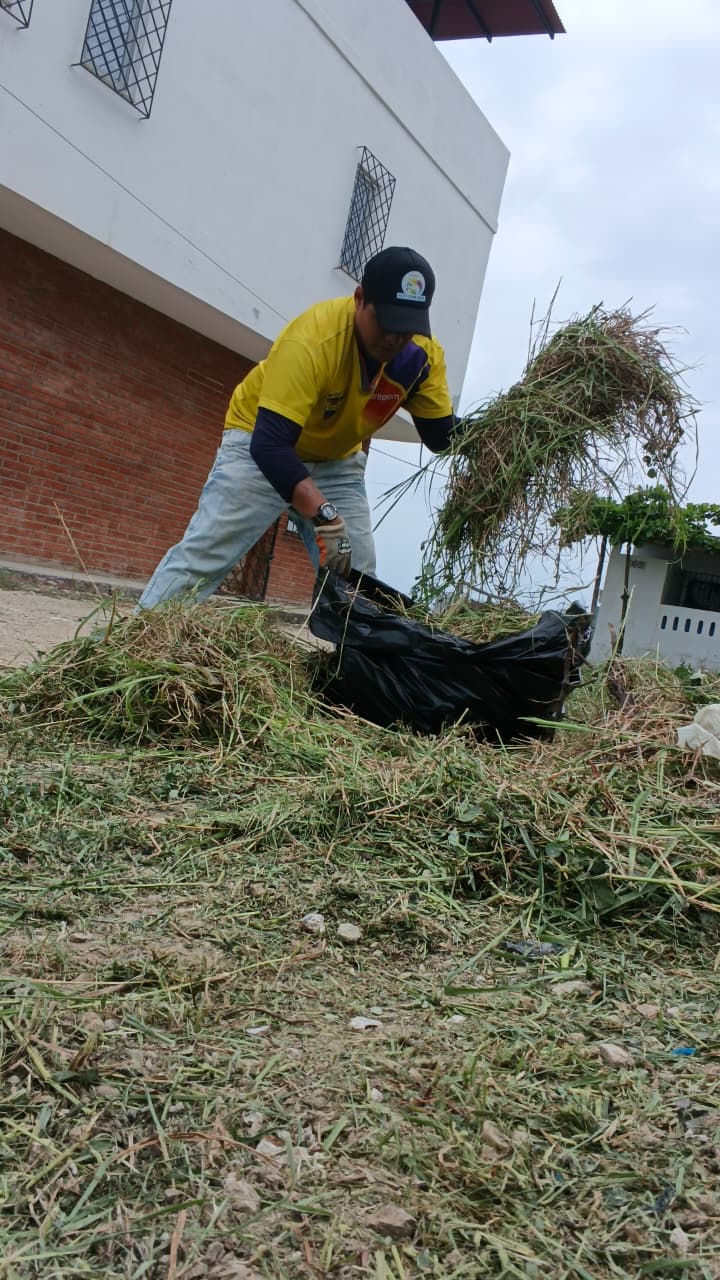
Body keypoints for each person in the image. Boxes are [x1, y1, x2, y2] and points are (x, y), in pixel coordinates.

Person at [138, 246, 457, 609]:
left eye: (407, 328)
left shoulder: (421, 358)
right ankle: (138, 638)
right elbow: (270, 446)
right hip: (260, 445)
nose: (395, 338)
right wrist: (325, 515)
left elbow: (441, 435)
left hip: (336, 462)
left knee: (357, 575)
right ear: (359, 299)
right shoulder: (313, 341)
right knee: (205, 557)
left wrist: (495, 433)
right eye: (387, 322)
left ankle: (350, 647)